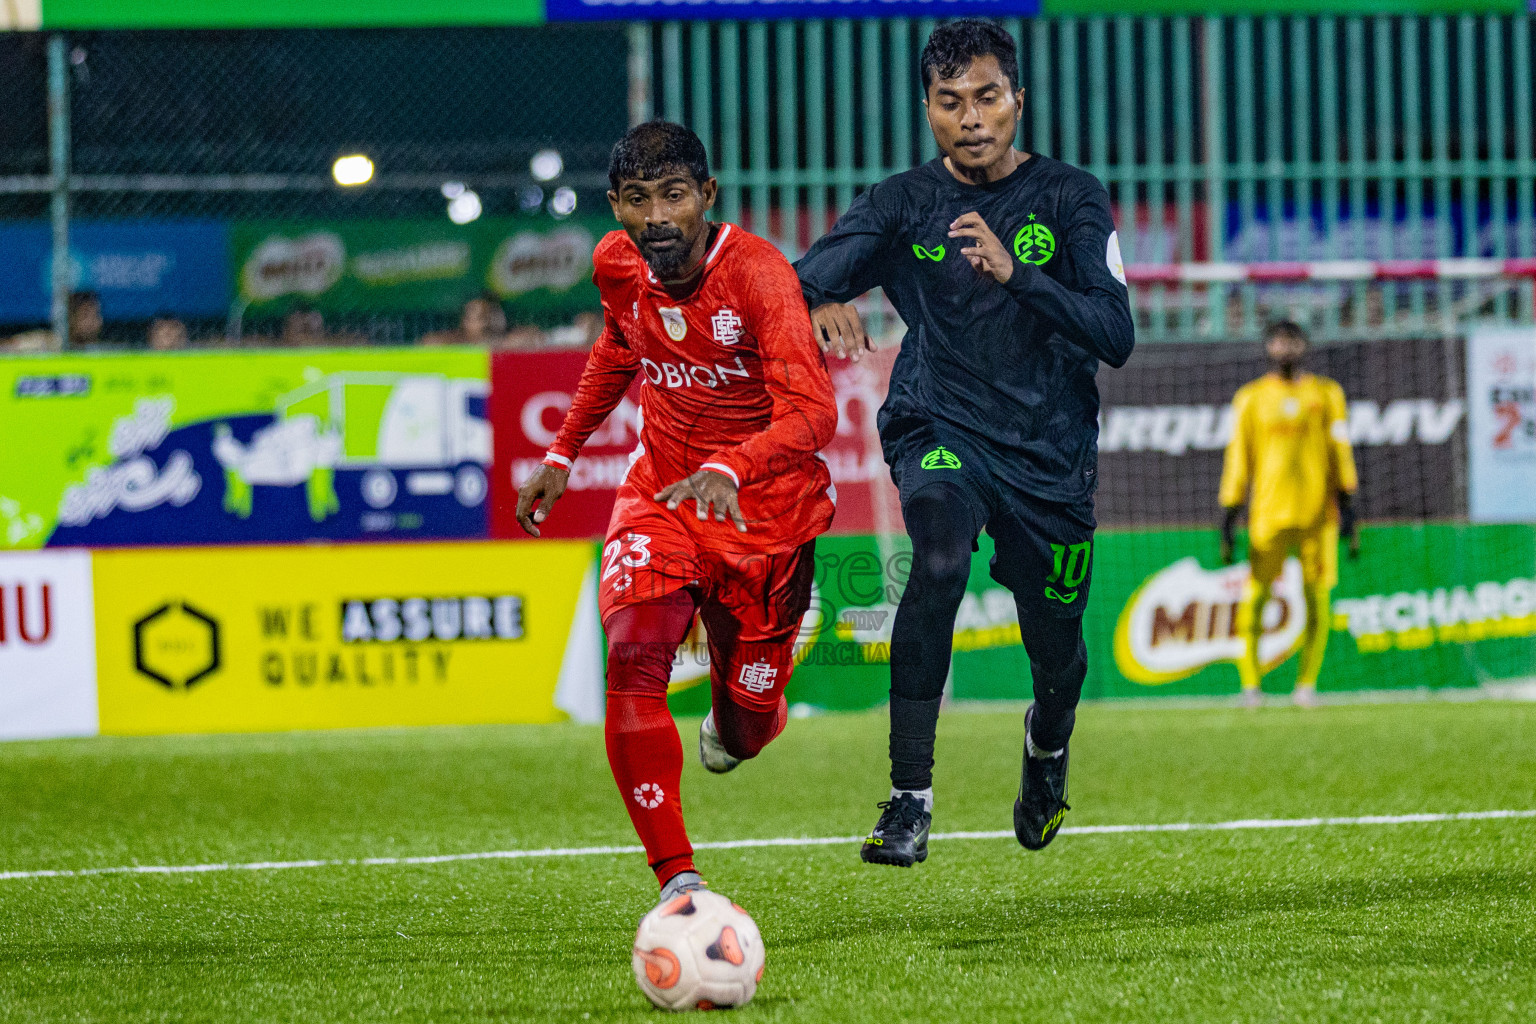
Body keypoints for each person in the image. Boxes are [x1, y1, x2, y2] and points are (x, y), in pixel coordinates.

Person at [794, 18, 1134, 866]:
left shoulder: (1071, 198)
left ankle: (1046, 751)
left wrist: (1018, 273)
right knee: (938, 561)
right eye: (951, 103)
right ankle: (910, 798)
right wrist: (814, 301)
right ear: (928, 110)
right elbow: (790, 283)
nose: (971, 118)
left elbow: (1115, 331)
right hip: (938, 426)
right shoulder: (902, 203)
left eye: (987, 98)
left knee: (1057, 657)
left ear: (1018, 100)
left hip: (1049, 453)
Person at [515, 122, 838, 905]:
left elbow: (814, 414)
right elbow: (618, 348)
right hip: (659, 495)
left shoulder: (759, 278)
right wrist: (561, 454)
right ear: (615, 206)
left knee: (747, 727)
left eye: (673, 195)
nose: (656, 216)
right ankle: (678, 882)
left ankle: (742, 718)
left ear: (707, 197)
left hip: (766, 524)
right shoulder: (616, 263)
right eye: (637, 200)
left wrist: (731, 464)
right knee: (632, 660)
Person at [1218, 320, 1359, 708]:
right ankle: (1250, 687)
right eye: (1279, 341)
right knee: (1254, 601)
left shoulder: (1327, 394)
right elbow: (1238, 459)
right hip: (1268, 515)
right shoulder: (1250, 398)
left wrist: (1349, 505)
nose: (1286, 348)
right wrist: (1230, 514)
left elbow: (1340, 450)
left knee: (1318, 601)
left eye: (1292, 341)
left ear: (1304, 346)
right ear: (1267, 347)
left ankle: (1306, 686)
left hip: (1318, 515)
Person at [420, 293, 508, 346]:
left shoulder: (499, 344)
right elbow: (428, 341)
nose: (467, 321)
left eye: (477, 317)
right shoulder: (455, 339)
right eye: (466, 316)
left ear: (487, 320)